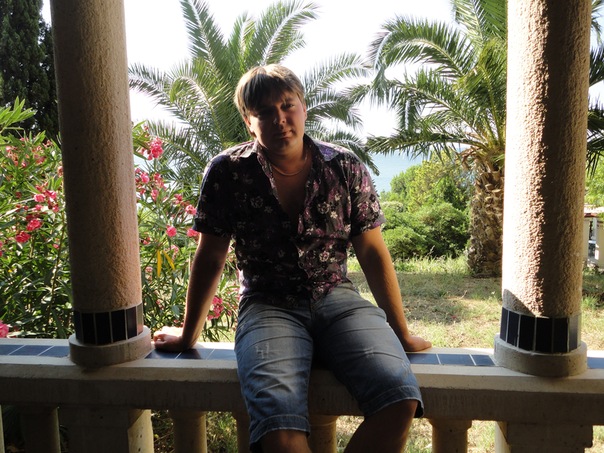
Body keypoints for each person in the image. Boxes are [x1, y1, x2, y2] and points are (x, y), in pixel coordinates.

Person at [153, 64, 431, 452]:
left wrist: (401, 331)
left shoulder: (343, 166)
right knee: (280, 432)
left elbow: (371, 250)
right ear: (249, 122)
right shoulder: (228, 172)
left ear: (304, 107)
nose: (280, 119)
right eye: (265, 111)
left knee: (399, 400)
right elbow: (211, 256)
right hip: (267, 305)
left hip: (338, 299)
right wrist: (188, 335)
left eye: (287, 105)